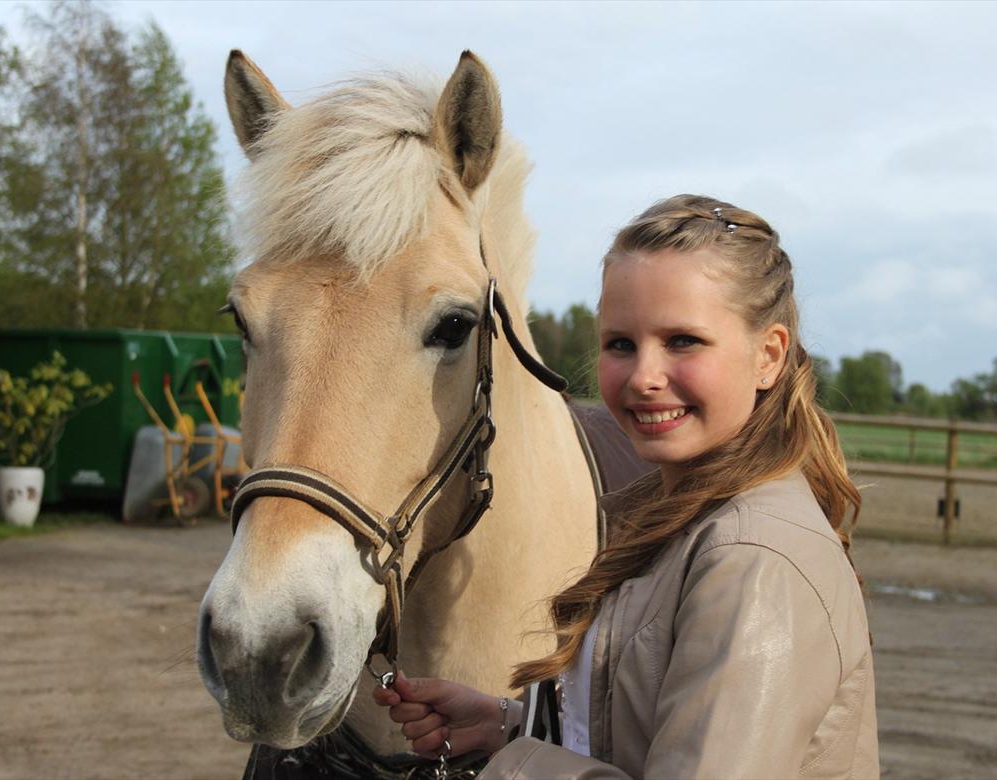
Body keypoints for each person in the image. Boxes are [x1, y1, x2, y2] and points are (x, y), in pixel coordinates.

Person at [374, 194, 880, 779]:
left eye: (683, 341)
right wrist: (507, 724)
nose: (644, 377)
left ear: (768, 356)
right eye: (621, 344)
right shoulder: (681, 518)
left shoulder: (751, 560)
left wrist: (515, 766)